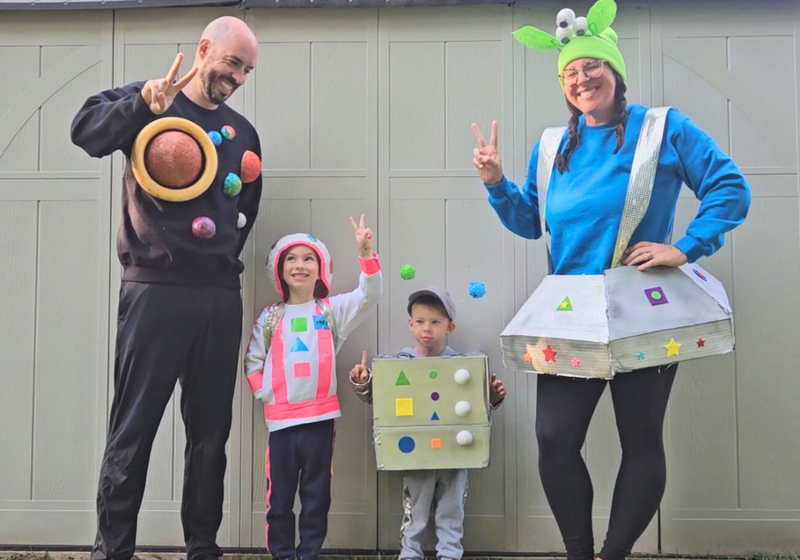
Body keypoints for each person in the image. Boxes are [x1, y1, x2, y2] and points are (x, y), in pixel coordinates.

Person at [471, 2, 751, 560]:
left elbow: (730, 187)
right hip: (569, 310)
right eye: (570, 73)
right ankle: (580, 553)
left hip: (641, 306)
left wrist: (684, 247)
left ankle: (613, 554)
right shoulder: (553, 146)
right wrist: (497, 182)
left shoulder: (663, 127)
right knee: (554, 439)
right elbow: (532, 221)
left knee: (641, 440)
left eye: (591, 66)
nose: (581, 79)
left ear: (615, 71)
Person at [70, 16, 261, 560]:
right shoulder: (150, 99)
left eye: (247, 70)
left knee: (210, 435)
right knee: (134, 427)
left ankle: (203, 547)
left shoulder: (243, 134)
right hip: (155, 289)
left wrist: (218, 263)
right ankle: (113, 551)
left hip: (219, 296)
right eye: (232, 63)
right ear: (204, 50)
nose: (240, 77)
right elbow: (84, 132)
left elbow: (245, 208)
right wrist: (140, 107)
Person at [244, 215, 383, 560]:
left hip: (321, 421)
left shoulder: (331, 310)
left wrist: (366, 253)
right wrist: (265, 391)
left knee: (317, 495)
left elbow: (370, 295)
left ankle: (309, 553)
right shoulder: (270, 317)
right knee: (279, 498)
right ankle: (282, 554)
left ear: (321, 269)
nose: (300, 265)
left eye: (309, 258)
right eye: (291, 258)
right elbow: (253, 360)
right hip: (281, 424)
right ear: (279, 269)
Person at [349, 286, 507, 560]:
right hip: (416, 456)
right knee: (416, 510)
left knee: (452, 508)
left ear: (450, 326)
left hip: (455, 456)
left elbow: (474, 410)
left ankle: (450, 554)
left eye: (436, 322)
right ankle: (410, 554)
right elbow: (381, 403)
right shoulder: (401, 364)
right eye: (420, 321)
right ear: (410, 324)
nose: (427, 328)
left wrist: (491, 398)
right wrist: (363, 383)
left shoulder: (461, 365)